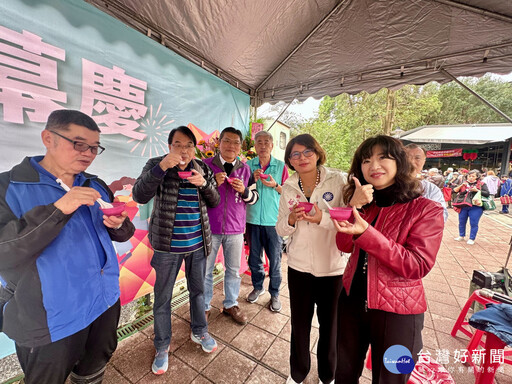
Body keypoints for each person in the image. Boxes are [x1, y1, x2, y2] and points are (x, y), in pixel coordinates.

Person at [0, 110, 135, 384]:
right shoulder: (7, 187)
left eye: (95, 148)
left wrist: (118, 224)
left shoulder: (94, 184)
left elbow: (122, 234)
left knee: (93, 370)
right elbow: (5, 251)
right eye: (79, 143)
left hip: (103, 303)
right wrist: (60, 208)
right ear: (48, 138)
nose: (88, 153)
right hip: (49, 319)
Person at [333, 135, 444, 384]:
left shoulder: (425, 209)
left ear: (400, 162)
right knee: (344, 372)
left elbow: (417, 265)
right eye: (366, 160)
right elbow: (342, 244)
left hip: (399, 313)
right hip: (351, 302)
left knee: (392, 378)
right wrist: (354, 206)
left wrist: (366, 233)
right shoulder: (364, 204)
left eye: (383, 157)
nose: (374, 165)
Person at [132, 126, 220, 375]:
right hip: (167, 247)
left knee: (198, 291)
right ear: (169, 146)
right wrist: (161, 169)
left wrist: (204, 184)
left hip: (197, 245)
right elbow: (139, 195)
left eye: (189, 145)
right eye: (178, 145)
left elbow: (214, 202)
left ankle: (199, 331)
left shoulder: (202, 167)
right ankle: (161, 346)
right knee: (163, 297)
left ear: (194, 148)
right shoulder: (155, 164)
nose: (184, 150)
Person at [276, 134, 347, 384]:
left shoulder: (338, 181)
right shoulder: (288, 187)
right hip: (299, 267)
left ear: (317, 153)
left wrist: (321, 219)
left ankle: (327, 376)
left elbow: (348, 223)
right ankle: (298, 373)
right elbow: (281, 229)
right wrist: (292, 220)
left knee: (330, 327)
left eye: (307, 152)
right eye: (295, 154)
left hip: (332, 268)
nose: (302, 158)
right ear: (290, 161)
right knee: (300, 325)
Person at [203, 127, 259, 325]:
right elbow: (195, 196)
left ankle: (230, 304)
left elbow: (254, 198)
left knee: (234, 270)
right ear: (219, 143)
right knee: (206, 270)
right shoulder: (205, 165)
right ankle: (204, 307)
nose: (231, 146)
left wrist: (244, 191)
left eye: (236, 142)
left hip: (235, 229)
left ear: (240, 147)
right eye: (227, 141)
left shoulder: (245, 170)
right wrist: (211, 185)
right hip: (209, 228)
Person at [245, 131, 289, 312]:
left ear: (272, 145)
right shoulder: (248, 166)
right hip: (252, 220)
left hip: (273, 222)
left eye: (266, 142)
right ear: (255, 146)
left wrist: (275, 185)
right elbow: (242, 191)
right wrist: (251, 180)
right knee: (254, 258)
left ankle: (275, 293)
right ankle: (258, 286)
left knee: (275, 260)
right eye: (259, 142)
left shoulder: (281, 166)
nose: (263, 146)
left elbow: (288, 192)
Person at [404, 144, 447, 221]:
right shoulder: (388, 183)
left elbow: (441, 216)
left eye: (417, 158)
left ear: (424, 161)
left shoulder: (431, 189)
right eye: (407, 157)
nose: (411, 162)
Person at [453, 169, 489, 245]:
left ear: (477, 177)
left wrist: (477, 190)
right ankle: (461, 235)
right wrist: (462, 186)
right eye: (469, 176)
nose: (471, 177)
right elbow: (454, 191)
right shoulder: (464, 183)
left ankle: (471, 238)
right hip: (464, 205)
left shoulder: (481, 184)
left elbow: (487, 194)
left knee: (474, 223)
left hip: (476, 206)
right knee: (461, 222)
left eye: (473, 176)